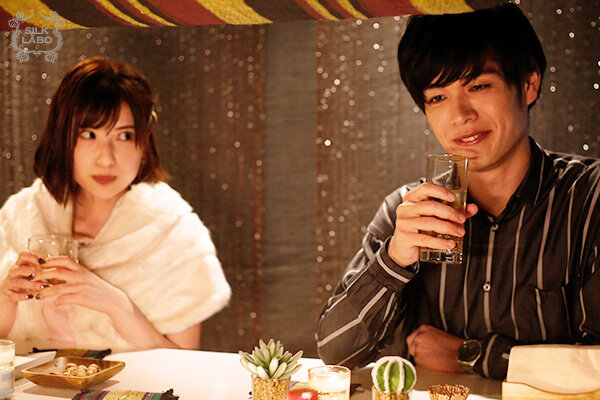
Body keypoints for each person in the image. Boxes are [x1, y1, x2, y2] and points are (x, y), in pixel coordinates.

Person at [316, 3, 600, 380]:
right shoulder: (408, 209)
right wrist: (395, 259)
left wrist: (473, 355)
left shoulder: (590, 197)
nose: (460, 115)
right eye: (437, 97)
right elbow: (334, 352)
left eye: (478, 86)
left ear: (528, 84)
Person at [0, 56, 231, 352]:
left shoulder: (174, 232)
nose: (106, 158)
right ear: (62, 138)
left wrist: (117, 305)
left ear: (144, 142)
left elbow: (185, 367)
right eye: (89, 134)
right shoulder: (21, 216)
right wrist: (7, 295)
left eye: (124, 136)